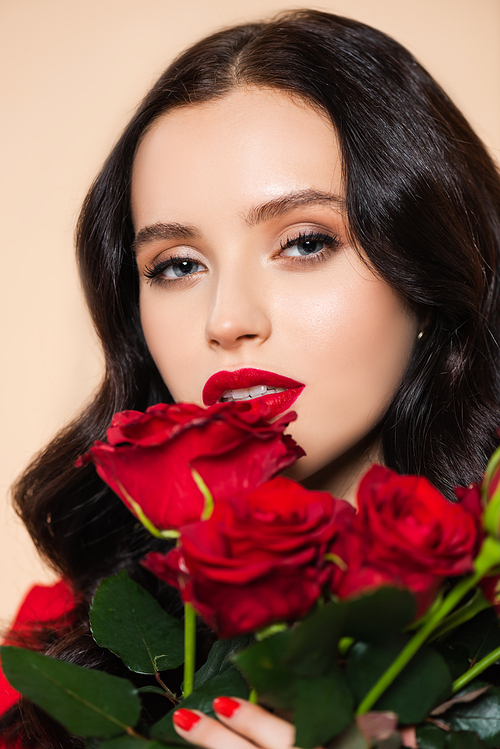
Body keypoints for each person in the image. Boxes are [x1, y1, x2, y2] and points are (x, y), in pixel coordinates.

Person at [1, 8, 500, 748]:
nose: (227, 319)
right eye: (177, 264)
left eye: (304, 242)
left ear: (423, 274)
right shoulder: (53, 658)